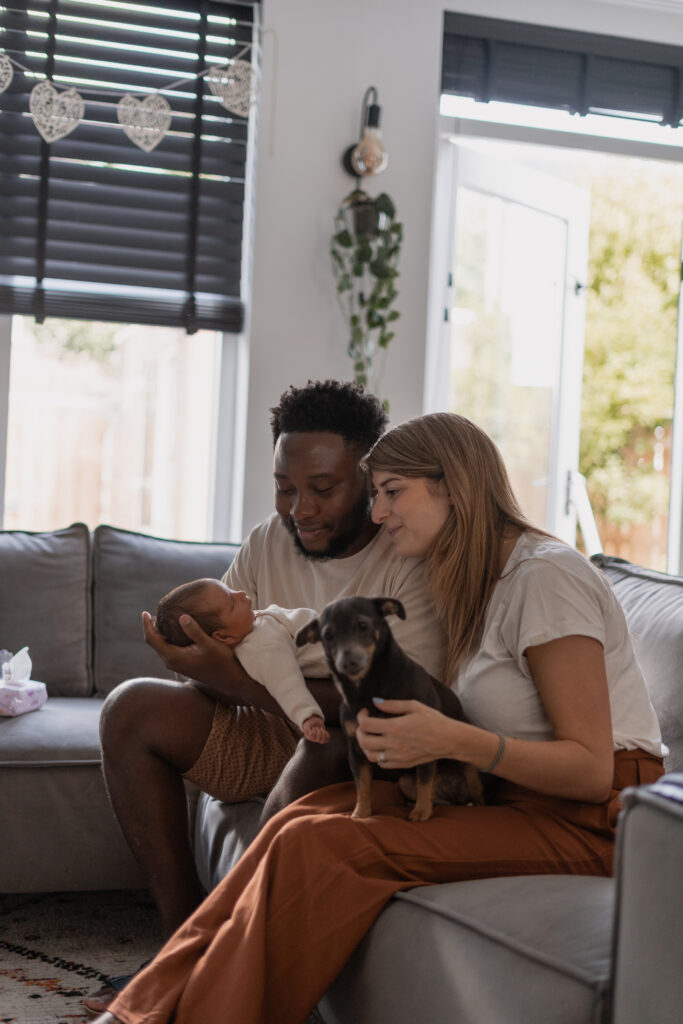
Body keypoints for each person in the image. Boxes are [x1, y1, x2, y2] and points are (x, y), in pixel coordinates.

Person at [89, 411, 665, 1024]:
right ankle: (145, 1009)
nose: (378, 511)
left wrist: (453, 739)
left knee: (324, 844)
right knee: (300, 819)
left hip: (598, 819)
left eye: (393, 493)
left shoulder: (546, 576)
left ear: (455, 485)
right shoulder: (476, 579)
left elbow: (590, 770)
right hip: (510, 798)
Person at [83, 381, 445, 1014]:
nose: (298, 508)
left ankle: (216, 960)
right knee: (129, 707)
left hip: (343, 742)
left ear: (370, 480)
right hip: (258, 724)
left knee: (337, 736)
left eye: (323, 488)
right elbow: (211, 661)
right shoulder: (266, 540)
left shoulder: (406, 559)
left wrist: (234, 679)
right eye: (285, 486)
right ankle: (180, 940)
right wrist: (198, 665)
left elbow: (388, 704)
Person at [154, 578, 329, 743]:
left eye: (230, 590)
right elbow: (286, 683)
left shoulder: (253, 625)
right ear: (223, 636)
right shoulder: (260, 647)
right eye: (232, 602)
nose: (240, 593)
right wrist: (307, 715)